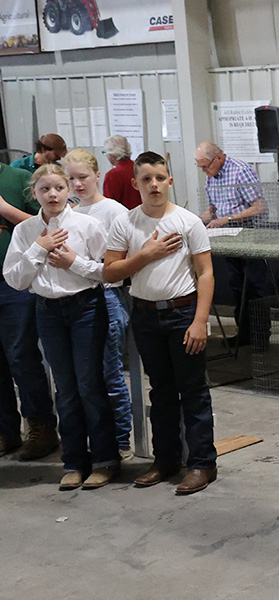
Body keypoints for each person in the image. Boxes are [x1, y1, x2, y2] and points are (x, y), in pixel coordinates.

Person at [104, 152, 218, 496]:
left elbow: (206, 272)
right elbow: (110, 272)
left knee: (193, 391)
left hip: (182, 314)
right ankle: (166, 459)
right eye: (146, 179)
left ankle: (202, 463)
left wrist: (200, 321)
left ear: (170, 181)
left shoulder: (187, 222)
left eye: (160, 178)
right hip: (145, 315)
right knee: (162, 391)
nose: (154, 185)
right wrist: (146, 255)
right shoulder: (125, 223)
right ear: (135, 184)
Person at [4, 164, 117, 489]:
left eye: (58, 188)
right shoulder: (25, 231)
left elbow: (108, 273)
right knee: (65, 390)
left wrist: (73, 263)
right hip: (48, 311)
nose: (52, 194)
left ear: (69, 189)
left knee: (89, 386)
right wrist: (39, 249)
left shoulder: (87, 225)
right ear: (34, 194)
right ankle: (74, 462)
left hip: (85, 308)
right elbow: (15, 280)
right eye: (44, 189)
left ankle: (105, 460)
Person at [63, 149, 135, 460]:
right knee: (83, 377)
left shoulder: (114, 211)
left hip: (107, 294)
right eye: (71, 179)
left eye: (82, 177)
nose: (77, 184)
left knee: (109, 372)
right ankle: (96, 438)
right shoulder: (66, 213)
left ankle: (120, 439)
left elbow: (117, 264)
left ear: (97, 176)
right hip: (74, 297)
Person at [0, 155, 58, 460]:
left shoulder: (17, 179)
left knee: (21, 355)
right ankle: (5, 431)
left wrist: (5, 210)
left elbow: (46, 226)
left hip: (13, 284)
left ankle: (41, 427)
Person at [195, 141, 270, 350]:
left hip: (250, 237)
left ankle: (261, 336)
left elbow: (260, 207)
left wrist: (228, 218)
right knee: (237, 287)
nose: (204, 171)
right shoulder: (210, 178)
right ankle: (244, 333)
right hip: (228, 240)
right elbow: (212, 210)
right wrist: (194, 220)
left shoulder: (240, 172)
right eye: (200, 167)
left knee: (254, 286)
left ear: (218, 158)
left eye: (206, 166)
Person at [101, 135, 141, 209]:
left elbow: (109, 205)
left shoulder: (113, 175)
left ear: (112, 156)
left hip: (124, 217)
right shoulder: (140, 168)